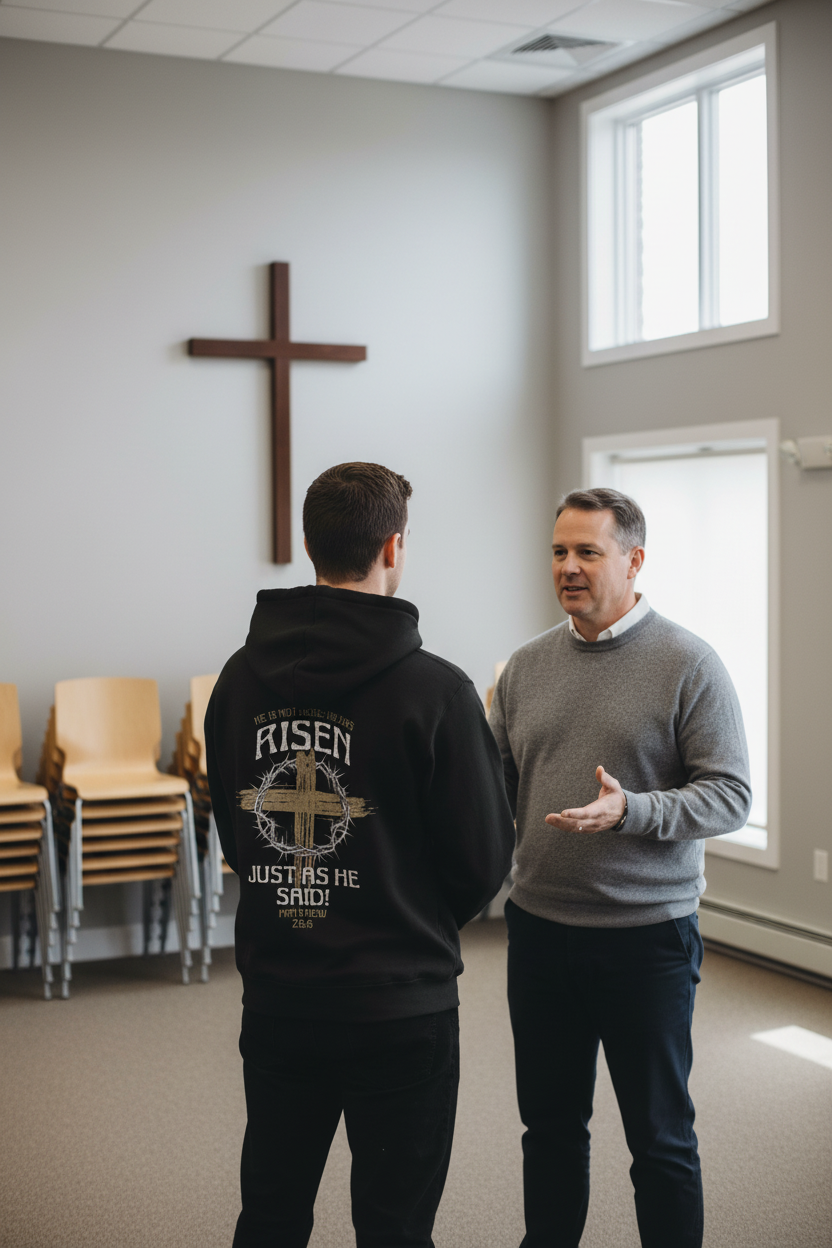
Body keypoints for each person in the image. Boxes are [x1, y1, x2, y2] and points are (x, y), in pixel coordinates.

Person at [205, 461, 515, 1248]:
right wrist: (405, 906)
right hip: (400, 1003)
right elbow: (483, 858)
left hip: (280, 991)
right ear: (393, 546)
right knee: (395, 1226)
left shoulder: (239, 681)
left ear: (308, 544)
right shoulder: (438, 691)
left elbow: (238, 829)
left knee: (271, 1215)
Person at [488, 487, 752, 1248]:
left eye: (588, 552)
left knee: (660, 1143)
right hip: (539, 933)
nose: (567, 567)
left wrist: (634, 811)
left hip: (647, 941)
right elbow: (494, 787)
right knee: (549, 1130)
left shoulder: (689, 663)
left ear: (634, 561)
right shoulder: (526, 668)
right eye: (558, 551)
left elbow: (730, 795)